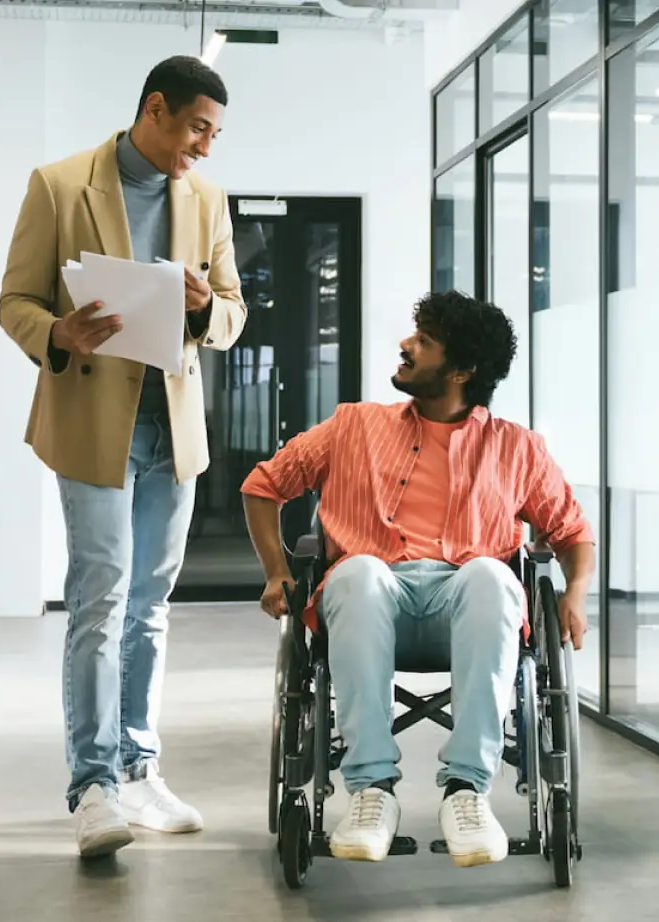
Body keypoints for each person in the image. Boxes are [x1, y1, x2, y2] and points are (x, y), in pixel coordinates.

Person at [239, 291, 596, 868]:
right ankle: (372, 793)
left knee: (489, 575)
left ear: (460, 371)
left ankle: (467, 793)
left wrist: (574, 595)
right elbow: (263, 485)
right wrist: (277, 573)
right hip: (370, 605)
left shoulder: (515, 448)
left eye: (423, 342)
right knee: (357, 573)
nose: (406, 346)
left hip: (468, 607)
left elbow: (572, 532)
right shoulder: (353, 426)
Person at [0, 55, 247, 858]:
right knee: (99, 598)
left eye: (215, 133)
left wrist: (210, 310)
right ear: (155, 110)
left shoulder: (205, 198)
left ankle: (140, 769)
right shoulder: (61, 184)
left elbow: (237, 310)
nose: (205, 147)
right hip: (90, 424)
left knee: (149, 606)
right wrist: (57, 334)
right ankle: (93, 785)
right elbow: (14, 302)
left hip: (169, 428)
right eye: (198, 127)